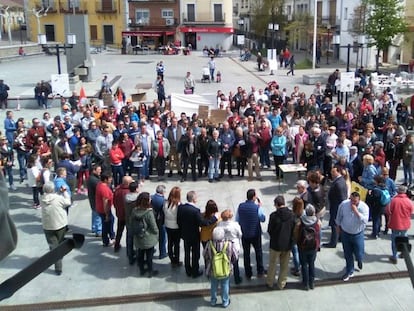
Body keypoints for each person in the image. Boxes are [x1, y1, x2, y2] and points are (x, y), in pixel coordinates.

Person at [177, 190, 218, 278]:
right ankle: (195, 271)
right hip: (194, 235)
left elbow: (178, 220)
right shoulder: (195, 211)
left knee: (187, 253)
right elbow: (203, 223)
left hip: (185, 234)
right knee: (195, 254)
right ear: (194, 199)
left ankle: (188, 270)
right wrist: (215, 218)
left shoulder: (181, 208)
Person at [336, 192, 369, 281]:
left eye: (355, 201)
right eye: (351, 200)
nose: (352, 203)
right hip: (345, 233)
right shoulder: (344, 204)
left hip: (357, 234)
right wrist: (338, 226)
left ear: (359, 200)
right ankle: (349, 271)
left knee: (359, 252)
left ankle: (359, 259)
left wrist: (356, 211)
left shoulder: (364, 207)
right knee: (347, 253)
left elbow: (365, 220)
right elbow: (339, 215)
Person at [40, 182, 71, 275]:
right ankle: (59, 262)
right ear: (53, 190)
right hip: (60, 224)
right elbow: (68, 202)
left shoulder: (41, 198)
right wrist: (64, 192)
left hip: (47, 226)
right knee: (59, 245)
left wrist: (58, 192)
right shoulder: (58, 198)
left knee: (53, 246)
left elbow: (51, 197)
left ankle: (57, 264)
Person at [266, 195, 295, 290]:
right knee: (284, 265)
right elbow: (293, 230)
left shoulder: (273, 216)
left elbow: (270, 230)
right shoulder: (291, 215)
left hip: (275, 244)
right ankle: (281, 283)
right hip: (287, 244)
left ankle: (270, 282)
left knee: (273, 264)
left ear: (276, 205)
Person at [203, 227, 237, 308]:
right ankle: (225, 301)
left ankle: (213, 301)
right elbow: (235, 256)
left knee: (213, 285)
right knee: (225, 285)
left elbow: (205, 255)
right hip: (226, 269)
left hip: (213, 269)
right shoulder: (229, 244)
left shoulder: (209, 244)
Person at [236, 188, 266, 279]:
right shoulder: (257, 208)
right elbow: (263, 219)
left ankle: (248, 272)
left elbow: (237, 220)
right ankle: (260, 271)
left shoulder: (240, 206)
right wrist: (260, 207)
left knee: (246, 253)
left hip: (245, 233)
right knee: (258, 252)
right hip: (255, 233)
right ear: (253, 197)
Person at [131, 192, 159, 277]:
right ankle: (150, 271)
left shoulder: (134, 211)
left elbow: (131, 222)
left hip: (138, 237)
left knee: (140, 254)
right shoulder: (149, 213)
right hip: (148, 238)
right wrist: (156, 233)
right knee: (149, 256)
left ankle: (142, 270)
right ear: (147, 202)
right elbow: (154, 227)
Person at [294, 204, 321, 290]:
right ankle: (312, 282)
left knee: (304, 265)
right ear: (313, 212)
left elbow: (296, 232)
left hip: (302, 246)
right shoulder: (317, 221)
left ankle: (305, 283)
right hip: (313, 247)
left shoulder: (301, 221)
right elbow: (318, 233)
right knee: (312, 264)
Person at [386, 185, 414, 264]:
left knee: (394, 239)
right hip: (405, 224)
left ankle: (394, 256)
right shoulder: (409, 201)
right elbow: (411, 212)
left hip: (395, 223)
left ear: (398, 191)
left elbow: (388, 211)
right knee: (404, 238)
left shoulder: (393, 200)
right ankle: (403, 252)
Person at [216, 209, 243, 284]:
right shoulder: (235, 225)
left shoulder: (219, 225)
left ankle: (224, 277)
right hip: (234, 245)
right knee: (235, 262)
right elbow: (240, 234)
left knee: (224, 262)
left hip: (223, 245)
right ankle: (237, 278)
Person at [324, 165, 348, 248]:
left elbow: (342, 198)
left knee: (334, 224)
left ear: (338, 172)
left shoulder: (339, 183)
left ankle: (333, 242)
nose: (332, 173)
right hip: (335, 205)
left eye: (333, 172)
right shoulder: (339, 181)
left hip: (336, 207)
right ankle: (340, 238)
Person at [164, 186, 182, 267]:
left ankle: (172, 259)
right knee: (176, 244)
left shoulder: (166, 203)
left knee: (170, 243)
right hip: (176, 227)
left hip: (168, 225)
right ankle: (177, 260)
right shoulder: (178, 205)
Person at [113, 175, 133, 252]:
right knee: (129, 234)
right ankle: (129, 250)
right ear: (128, 184)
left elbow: (114, 202)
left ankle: (116, 246)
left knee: (119, 231)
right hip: (128, 216)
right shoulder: (129, 193)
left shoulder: (117, 189)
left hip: (120, 214)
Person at [95, 173, 115, 247]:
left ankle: (111, 236)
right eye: (110, 178)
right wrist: (106, 214)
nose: (111, 179)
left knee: (111, 220)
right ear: (105, 179)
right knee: (106, 225)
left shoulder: (100, 184)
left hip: (100, 208)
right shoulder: (104, 189)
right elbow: (105, 202)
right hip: (104, 210)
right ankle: (106, 241)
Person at [125, 181, 140, 265]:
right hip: (136, 222)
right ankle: (138, 257)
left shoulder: (126, 197)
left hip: (128, 221)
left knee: (129, 239)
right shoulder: (137, 199)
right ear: (136, 189)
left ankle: (130, 255)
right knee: (138, 240)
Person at [151, 184, 167, 259]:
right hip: (161, 221)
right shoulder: (163, 200)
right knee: (162, 238)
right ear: (162, 192)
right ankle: (162, 253)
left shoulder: (152, 197)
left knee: (153, 236)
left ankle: (151, 250)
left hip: (152, 219)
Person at [86, 164, 102, 237]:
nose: (100, 171)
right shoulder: (94, 180)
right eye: (99, 170)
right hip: (95, 200)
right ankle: (98, 230)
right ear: (94, 170)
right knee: (98, 215)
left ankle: (94, 228)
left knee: (94, 214)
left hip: (92, 199)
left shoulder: (91, 178)